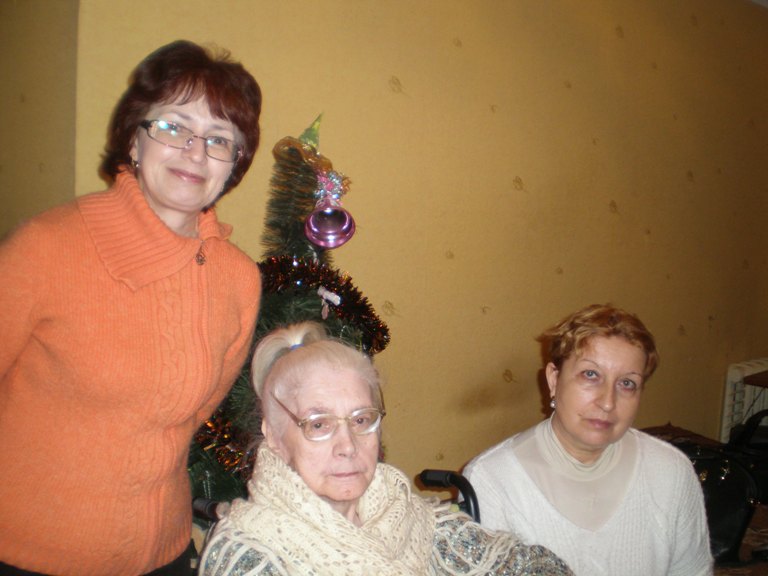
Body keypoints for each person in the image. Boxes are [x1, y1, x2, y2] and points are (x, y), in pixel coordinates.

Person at [0, 41, 263, 575]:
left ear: (234, 165)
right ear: (133, 139)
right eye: (173, 126)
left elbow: (193, 414)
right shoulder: (46, 247)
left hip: (164, 553)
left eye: (218, 139)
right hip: (28, 552)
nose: (195, 152)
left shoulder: (238, 278)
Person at [199, 322, 574, 575]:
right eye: (318, 424)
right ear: (274, 436)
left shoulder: (408, 514)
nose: (348, 446)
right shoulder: (249, 555)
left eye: (361, 419)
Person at [464, 304, 714, 576]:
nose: (607, 402)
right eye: (591, 375)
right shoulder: (492, 481)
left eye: (627, 383)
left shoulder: (670, 471)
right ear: (554, 380)